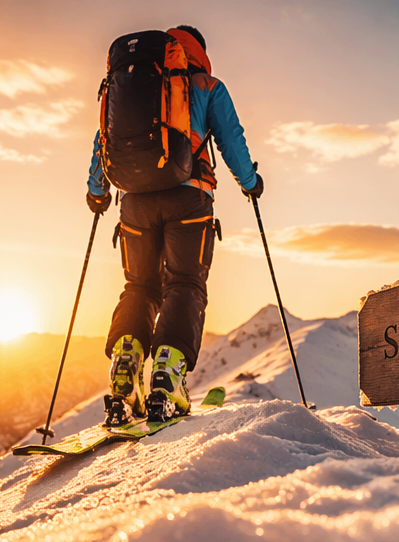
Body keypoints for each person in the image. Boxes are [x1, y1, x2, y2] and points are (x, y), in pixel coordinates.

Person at [86, 25, 264, 425]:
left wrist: (97, 191)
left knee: (139, 287)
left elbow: (104, 138)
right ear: (199, 51)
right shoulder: (206, 85)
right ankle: (167, 378)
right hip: (189, 198)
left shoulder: (132, 81)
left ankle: (125, 367)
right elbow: (231, 140)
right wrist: (250, 182)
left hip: (134, 201)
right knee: (184, 284)